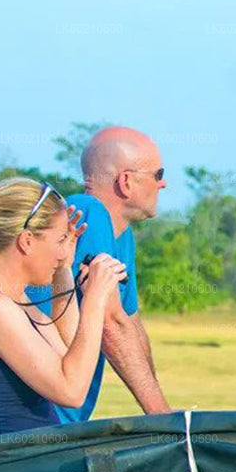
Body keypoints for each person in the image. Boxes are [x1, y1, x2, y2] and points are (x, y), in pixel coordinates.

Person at [0, 178, 128, 438]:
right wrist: (94, 301)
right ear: (26, 241)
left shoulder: (13, 298)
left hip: (30, 463)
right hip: (13, 470)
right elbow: (72, 393)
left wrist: (63, 271)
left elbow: (67, 353)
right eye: (60, 240)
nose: (63, 252)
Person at [30, 126, 171, 422]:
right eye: (158, 174)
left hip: (63, 417)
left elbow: (129, 322)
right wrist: (164, 420)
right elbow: (110, 323)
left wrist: (161, 410)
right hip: (40, 419)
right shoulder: (87, 212)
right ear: (126, 182)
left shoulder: (123, 234)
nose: (164, 184)